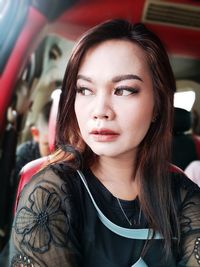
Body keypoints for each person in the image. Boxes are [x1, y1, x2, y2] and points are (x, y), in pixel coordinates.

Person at [9, 19, 200, 267]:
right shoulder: (51, 194)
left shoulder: (185, 195)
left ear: (158, 105)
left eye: (123, 90)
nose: (100, 111)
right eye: (85, 90)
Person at [14, 100, 52, 178]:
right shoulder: (25, 155)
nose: (55, 152)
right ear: (36, 134)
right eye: (47, 144)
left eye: (61, 146)